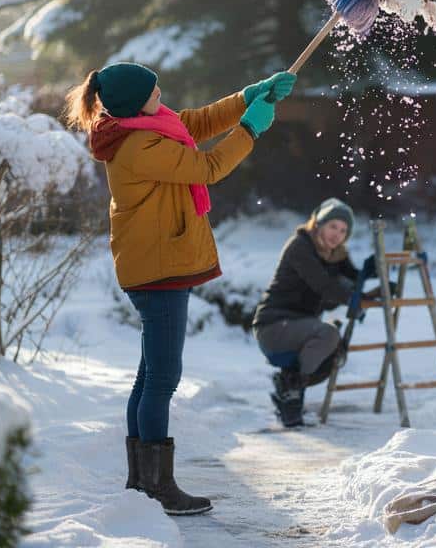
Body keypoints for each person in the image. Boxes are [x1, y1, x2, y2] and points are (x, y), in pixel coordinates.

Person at [64, 62, 295, 515]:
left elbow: (198, 121)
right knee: (162, 378)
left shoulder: (145, 125)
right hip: (159, 268)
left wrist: (249, 94)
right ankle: (157, 488)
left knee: (150, 376)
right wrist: (249, 130)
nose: (162, 94)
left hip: (156, 262)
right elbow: (207, 167)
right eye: (154, 91)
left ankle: (142, 483)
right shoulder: (138, 145)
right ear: (136, 104)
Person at [252, 198, 362, 427]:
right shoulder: (300, 246)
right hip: (274, 327)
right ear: (319, 224)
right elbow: (323, 285)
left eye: (343, 230)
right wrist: (352, 299)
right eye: (333, 226)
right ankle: (290, 388)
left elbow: (354, 278)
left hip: (300, 326)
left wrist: (378, 277)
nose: (337, 234)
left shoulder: (335, 254)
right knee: (329, 335)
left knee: (334, 353)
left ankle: (289, 394)